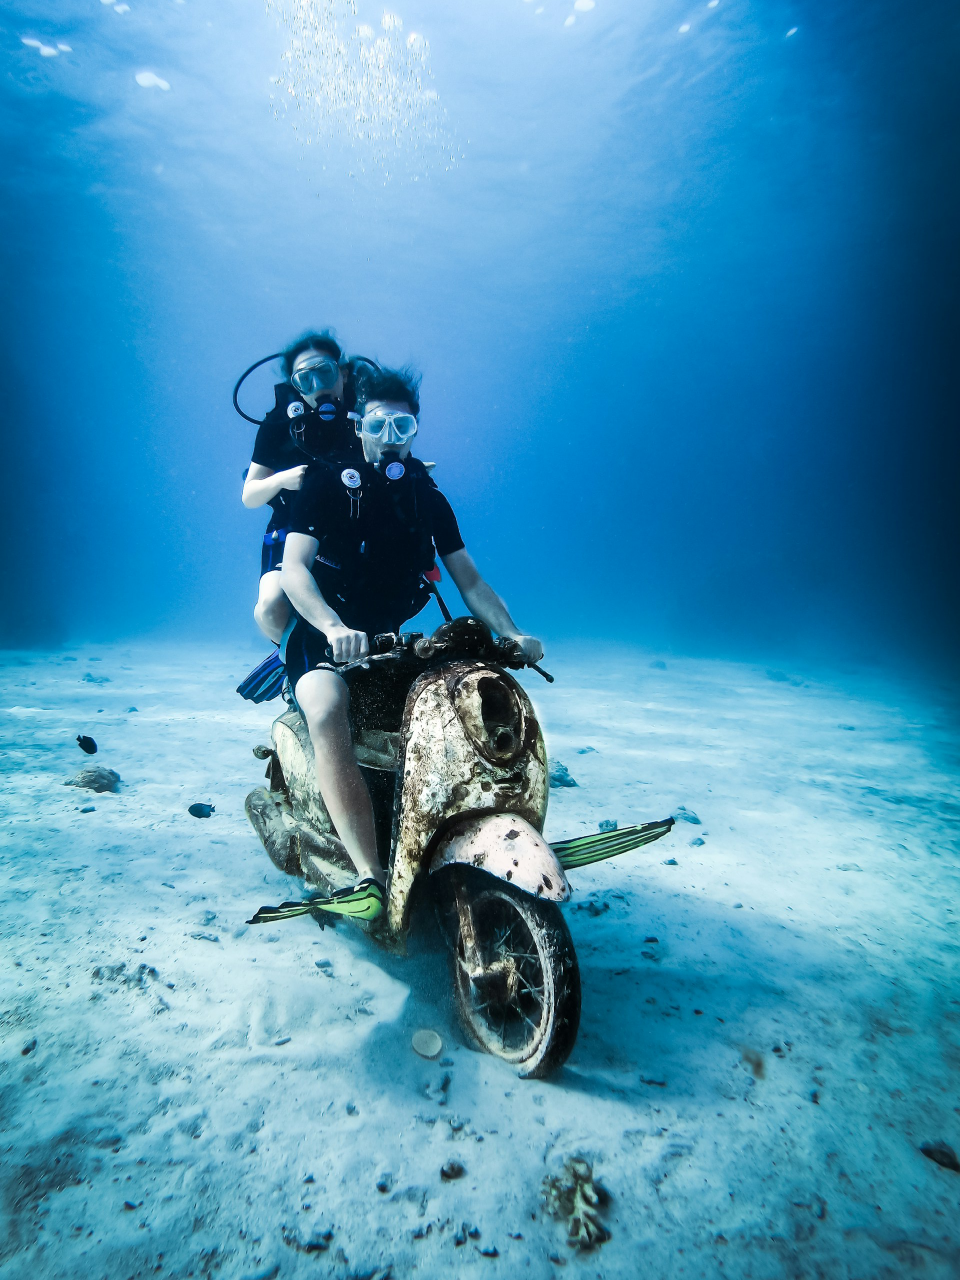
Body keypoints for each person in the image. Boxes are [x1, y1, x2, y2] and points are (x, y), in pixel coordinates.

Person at [280, 364, 543, 918]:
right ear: (359, 426)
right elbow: (294, 572)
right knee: (327, 709)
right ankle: (368, 877)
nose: (392, 440)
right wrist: (331, 628)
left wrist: (511, 632)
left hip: (391, 639)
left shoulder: (427, 498)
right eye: (381, 426)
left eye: (405, 428)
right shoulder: (325, 483)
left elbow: (468, 579)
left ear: (416, 432)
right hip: (323, 635)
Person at [241, 331, 360, 645]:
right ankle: (289, 658)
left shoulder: (366, 417)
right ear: (294, 386)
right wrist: (282, 479)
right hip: (289, 526)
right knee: (269, 608)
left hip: (351, 531)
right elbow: (249, 496)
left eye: (325, 372)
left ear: (343, 373)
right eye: (304, 379)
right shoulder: (279, 425)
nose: (318, 385)